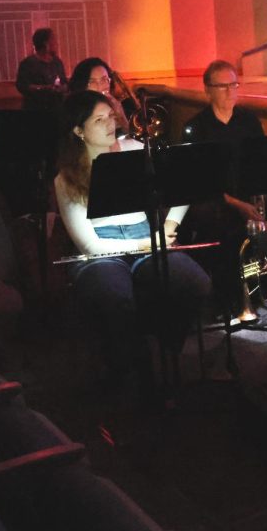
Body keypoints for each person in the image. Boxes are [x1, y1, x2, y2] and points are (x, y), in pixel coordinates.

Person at [54, 91, 211, 391]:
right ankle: (131, 368)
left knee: (195, 283)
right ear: (78, 130)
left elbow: (184, 183)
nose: (110, 123)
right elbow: (90, 247)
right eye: (99, 120)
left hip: (145, 238)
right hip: (102, 251)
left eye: (111, 116)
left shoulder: (135, 148)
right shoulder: (67, 177)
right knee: (116, 296)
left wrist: (168, 226)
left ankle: (166, 349)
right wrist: (143, 245)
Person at [179, 61, 267, 311]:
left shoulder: (249, 122)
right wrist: (238, 205)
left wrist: (257, 201)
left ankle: (256, 288)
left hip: (245, 195)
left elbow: (261, 164)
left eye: (234, 85)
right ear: (208, 90)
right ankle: (227, 295)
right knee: (223, 223)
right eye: (222, 86)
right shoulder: (195, 128)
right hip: (215, 200)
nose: (230, 91)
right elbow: (198, 181)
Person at [69, 56, 132, 134]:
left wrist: (121, 116)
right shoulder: (76, 113)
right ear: (82, 85)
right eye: (92, 82)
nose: (100, 86)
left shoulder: (115, 107)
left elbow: (129, 137)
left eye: (104, 79)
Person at [16, 27, 67, 111]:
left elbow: (64, 81)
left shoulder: (57, 62)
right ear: (45, 43)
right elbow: (22, 86)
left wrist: (63, 88)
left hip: (55, 108)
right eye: (53, 40)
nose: (56, 43)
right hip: (35, 109)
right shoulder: (28, 63)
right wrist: (44, 88)